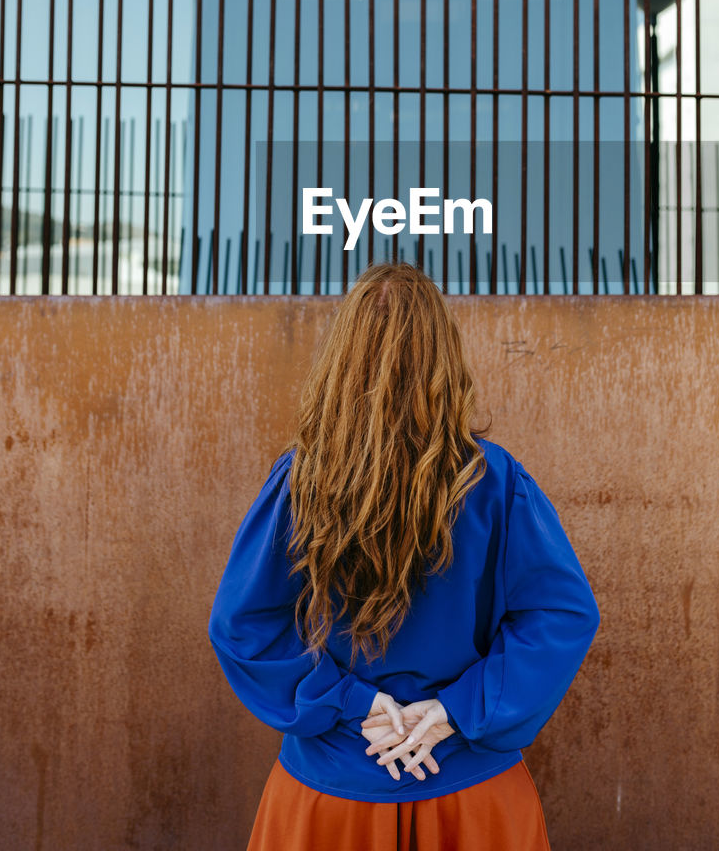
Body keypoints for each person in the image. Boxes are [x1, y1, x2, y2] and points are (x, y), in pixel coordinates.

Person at [209, 261, 600, 849]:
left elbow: (243, 626)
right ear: (444, 361)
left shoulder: (301, 481)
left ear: (343, 359)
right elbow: (561, 615)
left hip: (327, 800)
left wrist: (353, 704)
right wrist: (452, 712)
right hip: (473, 798)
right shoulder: (494, 480)